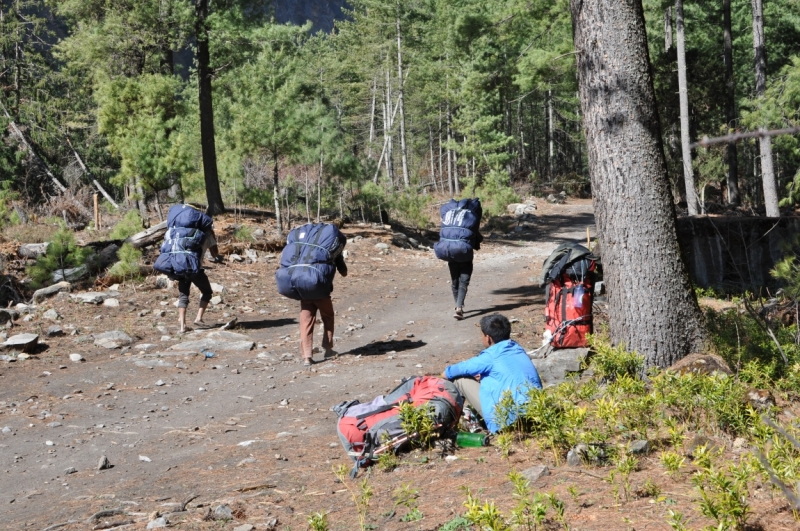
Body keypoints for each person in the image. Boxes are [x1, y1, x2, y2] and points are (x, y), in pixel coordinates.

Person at [442, 313, 542, 433]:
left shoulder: (490, 355)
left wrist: (444, 375)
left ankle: (449, 426)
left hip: (505, 421)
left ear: (488, 338)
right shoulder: (518, 349)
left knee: (459, 380)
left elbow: (451, 372)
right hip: (537, 412)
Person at [154, 204, 222, 334]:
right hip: (195, 269)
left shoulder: (175, 232)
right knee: (207, 292)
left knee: (183, 295)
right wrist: (213, 238)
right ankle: (198, 318)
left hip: (179, 266)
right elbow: (215, 254)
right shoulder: (205, 234)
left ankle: (182, 327)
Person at [298, 245, 347, 366]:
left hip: (304, 289)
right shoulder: (330, 247)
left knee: (306, 323)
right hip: (321, 290)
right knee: (328, 317)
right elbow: (344, 272)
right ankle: (328, 349)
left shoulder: (304, 246)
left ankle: (307, 357)